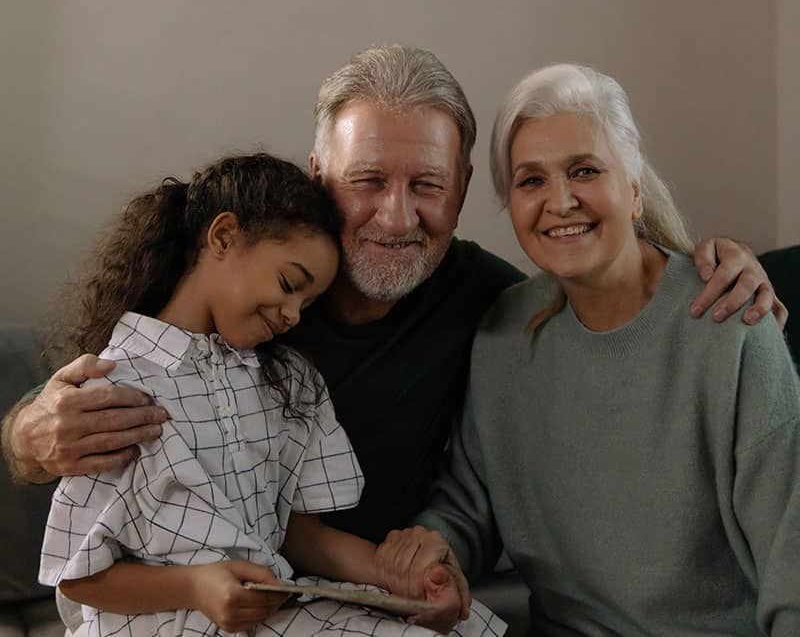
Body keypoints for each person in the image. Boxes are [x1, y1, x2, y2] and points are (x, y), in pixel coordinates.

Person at [2, 47, 786, 545]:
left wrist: (711, 261)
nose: (397, 216)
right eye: (369, 181)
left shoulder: (491, 298)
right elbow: (90, 391)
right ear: (318, 178)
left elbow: (609, 304)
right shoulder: (249, 288)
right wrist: (27, 433)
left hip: (383, 597)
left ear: (467, 190)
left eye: (428, 186)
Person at [376, 65, 800, 636]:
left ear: (633, 188)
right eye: (531, 181)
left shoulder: (733, 323)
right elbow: (469, 504)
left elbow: (791, 557)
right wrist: (434, 546)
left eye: (584, 171)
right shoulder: (504, 331)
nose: (560, 201)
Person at [38, 152, 499, 637]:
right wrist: (196, 587)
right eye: (288, 284)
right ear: (223, 237)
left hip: (267, 611)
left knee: (463, 627)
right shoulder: (111, 390)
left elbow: (301, 537)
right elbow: (79, 578)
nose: (293, 315)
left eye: (308, 302)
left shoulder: (288, 379)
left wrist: (401, 578)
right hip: (161, 624)